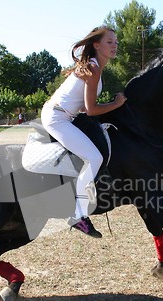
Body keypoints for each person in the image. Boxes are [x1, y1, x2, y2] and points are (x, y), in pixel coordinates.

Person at [41, 26, 127, 238]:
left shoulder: (95, 67)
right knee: (94, 158)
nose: (114, 45)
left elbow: (82, 107)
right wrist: (116, 104)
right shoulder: (93, 68)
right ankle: (78, 215)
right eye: (109, 42)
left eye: (116, 42)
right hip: (56, 118)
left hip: (64, 116)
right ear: (96, 45)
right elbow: (91, 110)